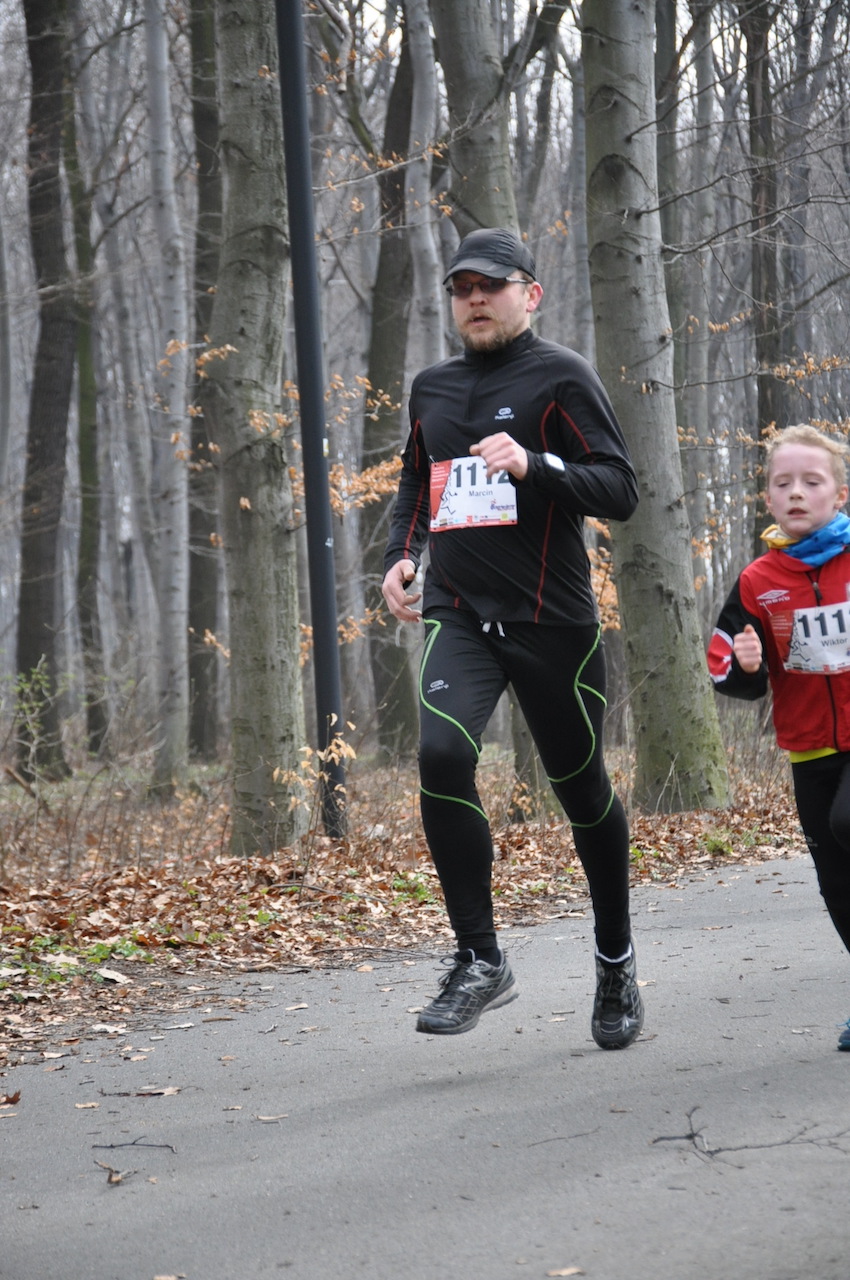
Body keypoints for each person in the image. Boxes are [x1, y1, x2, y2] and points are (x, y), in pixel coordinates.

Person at [381, 227, 643, 1047]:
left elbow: (620, 489)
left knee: (582, 791)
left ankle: (614, 959)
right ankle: (479, 957)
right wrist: (399, 559)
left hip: (551, 622)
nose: (474, 300)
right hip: (458, 612)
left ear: (530, 294)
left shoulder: (561, 376)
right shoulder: (431, 387)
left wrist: (535, 465)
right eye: (462, 288)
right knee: (441, 755)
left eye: (490, 286)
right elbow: (415, 484)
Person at [708, 423, 850, 1051]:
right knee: (836, 882)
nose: (796, 492)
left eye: (811, 482)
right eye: (782, 482)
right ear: (767, 498)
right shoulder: (756, 581)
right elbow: (727, 669)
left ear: (839, 494)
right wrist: (744, 666)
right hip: (810, 747)